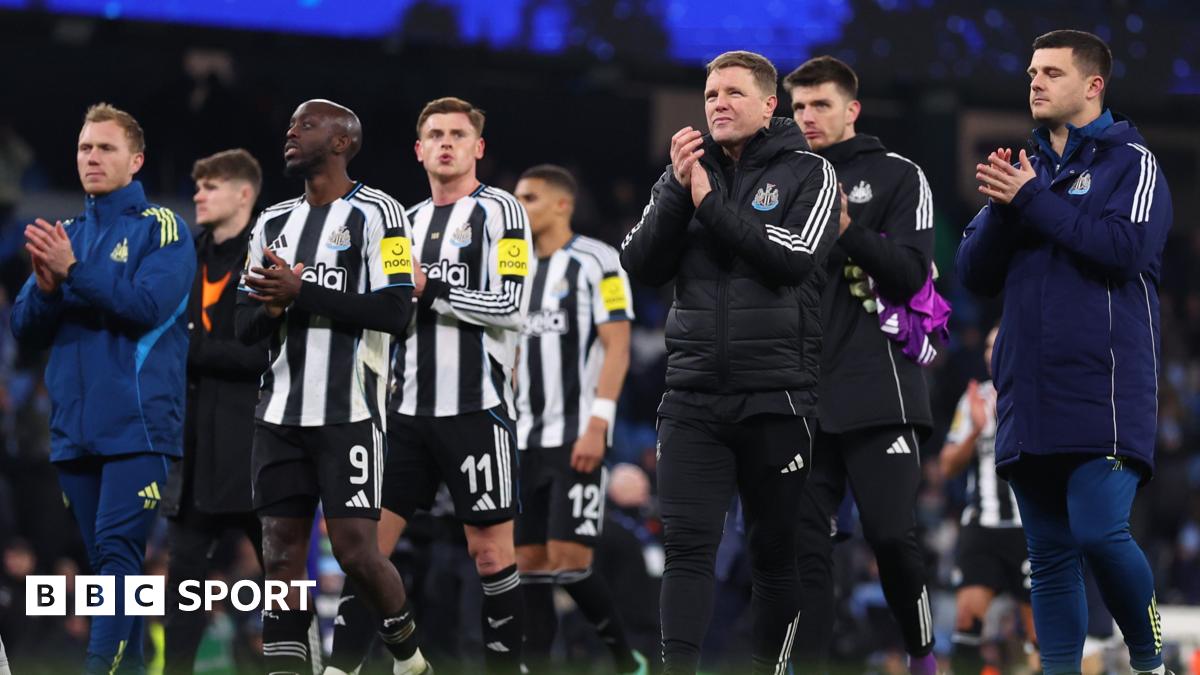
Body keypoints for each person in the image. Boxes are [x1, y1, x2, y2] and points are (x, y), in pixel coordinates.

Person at [956, 30, 1173, 675]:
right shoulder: (1024, 170)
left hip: (1104, 387)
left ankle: (1149, 659)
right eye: (1031, 72)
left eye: (1051, 72)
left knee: (1101, 534)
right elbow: (972, 275)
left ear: (1093, 85)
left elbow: (1124, 250)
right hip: (1027, 388)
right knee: (1048, 556)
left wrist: (1030, 201)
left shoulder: (1131, 163)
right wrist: (1004, 208)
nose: (1036, 82)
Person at [620, 50, 838, 675]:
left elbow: (793, 258)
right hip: (690, 396)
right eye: (711, 93)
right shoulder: (686, 174)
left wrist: (709, 203)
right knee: (688, 547)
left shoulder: (810, 174)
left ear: (770, 104)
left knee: (774, 552)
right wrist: (675, 188)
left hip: (778, 395)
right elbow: (637, 265)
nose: (717, 103)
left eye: (734, 93)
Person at [327, 96, 531, 675]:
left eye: (458, 134)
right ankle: (340, 669)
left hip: (476, 406)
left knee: (490, 554)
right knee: (366, 553)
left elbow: (512, 305)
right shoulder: (402, 223)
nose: (446, 143)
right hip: (404, 415)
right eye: (435, 135)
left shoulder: (502, 213)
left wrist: (431, 289)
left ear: (477, 148)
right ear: (418, 151)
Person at [235, 99, 428, 675]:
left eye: (307, 124)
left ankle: (411, 659)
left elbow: (397, 311)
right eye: (290, 124)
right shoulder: (271, 222)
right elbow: (246, 328)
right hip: (279, 414)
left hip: (349, 412)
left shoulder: (382, 213)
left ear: (344, 142)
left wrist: (301, 294)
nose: (291, 132)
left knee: (355, 553)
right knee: (280, 559)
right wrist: (272, 308)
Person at [11, 102, 195, 675]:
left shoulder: (163, 229)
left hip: (137, 425)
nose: (92, 157)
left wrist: (72, 274)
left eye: (106, 148)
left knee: (117, 556)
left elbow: (145, 306)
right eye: (86, 147)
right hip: (74, 430)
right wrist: (44, 289)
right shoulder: (66, 235)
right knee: (106, 566)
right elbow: (23, 330)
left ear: (135, 160)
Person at [782, 56, 939, 674]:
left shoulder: (897, 176)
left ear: (852, 109)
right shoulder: (782, 179)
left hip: (880, 389)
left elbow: (910, 276)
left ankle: (923, 655)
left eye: (820, 105)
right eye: (797, 107)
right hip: (800, 392)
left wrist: (846, 226)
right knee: (804, 549)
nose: (807, 117)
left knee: (892, 537)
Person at [510, 164, 646, 675]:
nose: (518, 207)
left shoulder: (599, 261)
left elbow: (618, 347)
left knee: (569, 562)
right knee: (528, 567)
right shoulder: (512, 264)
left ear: (562, 204)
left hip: (576, 434)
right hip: (522, 437)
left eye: (529, 198)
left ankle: (622, 658)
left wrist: (598, 424)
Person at [160, 148, 269, 675]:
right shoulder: (185, 258)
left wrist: (193, 350)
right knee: (183, 580)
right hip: (193, 447)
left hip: (256, 447)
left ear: (244, 194)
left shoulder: (268, 260)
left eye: (212, 186)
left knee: (282, 581)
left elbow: (267, 356)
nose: (199, 194)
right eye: (198, 185)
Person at [940, 326, 1037, 674]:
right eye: (987, 345)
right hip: (982, 526)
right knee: (966, 623)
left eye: (998, 345)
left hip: (1029, 529)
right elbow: (947, 465)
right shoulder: (972, 400)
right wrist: (977, 431)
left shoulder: (1038, 396)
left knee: (1039, 637)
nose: (990, 352)